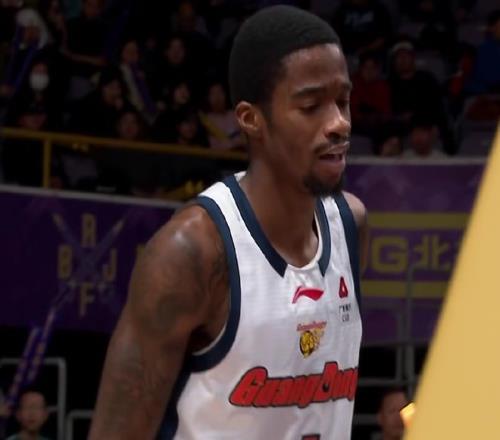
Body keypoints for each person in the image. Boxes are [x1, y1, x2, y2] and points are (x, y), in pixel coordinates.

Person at [89, 5, 368, 439]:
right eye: (312, 106)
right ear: (251, 119)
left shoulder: (351, 226)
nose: (339, 123)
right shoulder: (191, 253)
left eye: (343, 102)